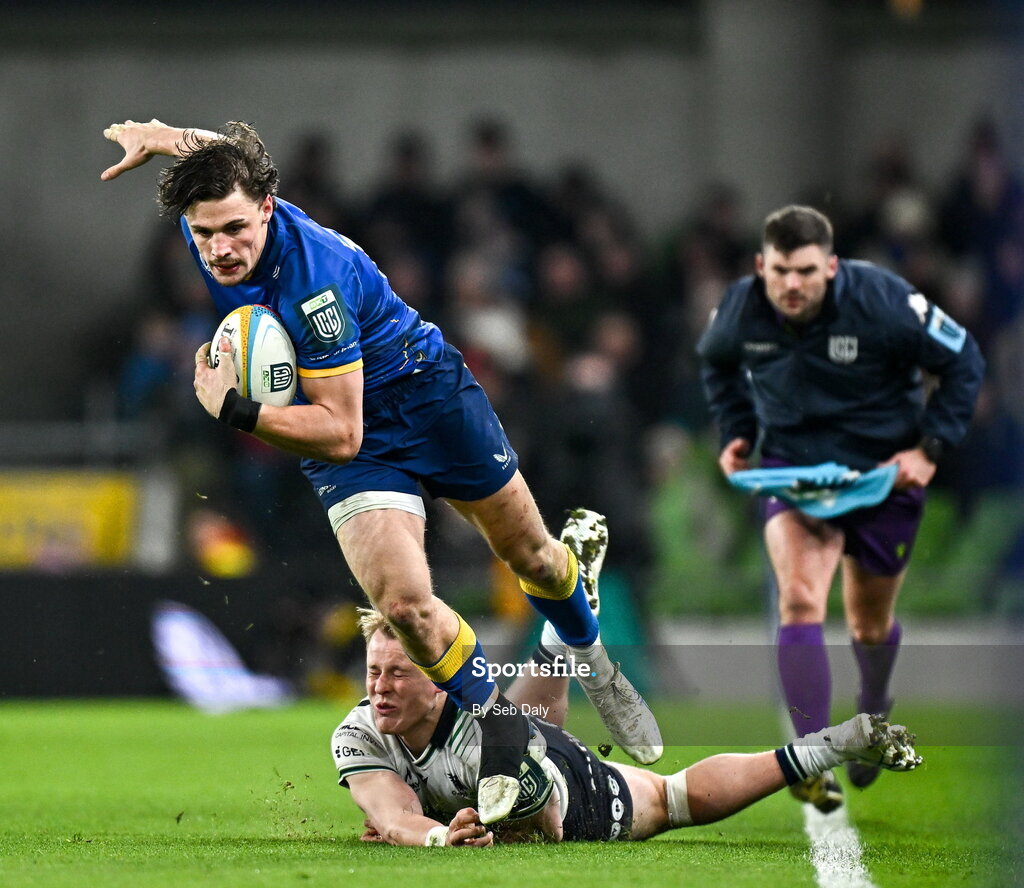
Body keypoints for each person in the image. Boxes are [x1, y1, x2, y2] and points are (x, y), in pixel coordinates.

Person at [101, 119, 662, 824]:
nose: (220, 248)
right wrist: (162, 135)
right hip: (358, 442)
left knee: (533, 559)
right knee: (403, 604)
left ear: (269, 210)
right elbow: (226, 159)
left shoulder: (316, 286)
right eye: (205, 232)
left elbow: (340, 430)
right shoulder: (216, 217)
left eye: (235, 230)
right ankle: (506, 737)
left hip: (425, 401)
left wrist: (237, 410)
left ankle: (590, 652)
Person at [697, 205, 984, 812]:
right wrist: (738, 431)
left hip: (880, 479)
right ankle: (809, 759)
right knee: (799, 597)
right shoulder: (739, 310)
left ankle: (874, 707)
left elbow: (964, 361)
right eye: (780, 271)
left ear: (830, 266)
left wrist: (930, 450)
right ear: (761, 266)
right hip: (793, 473)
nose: (791, 285)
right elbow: (717, 365)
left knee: (868, 627)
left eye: (804, 271)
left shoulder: (882, 300)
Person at [335, 606, 921, 847]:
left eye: (398, 675)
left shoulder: (476, 724)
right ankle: (566, 622)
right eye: (373, 672)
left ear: (439, 678)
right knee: (525, 724)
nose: (379, 688)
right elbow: (391, 813)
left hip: (572, 792)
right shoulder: (358, 731)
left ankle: (831, 745)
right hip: (526, 739)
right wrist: (435, 834)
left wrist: (467, 828)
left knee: (670, 798)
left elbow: (549, 822)